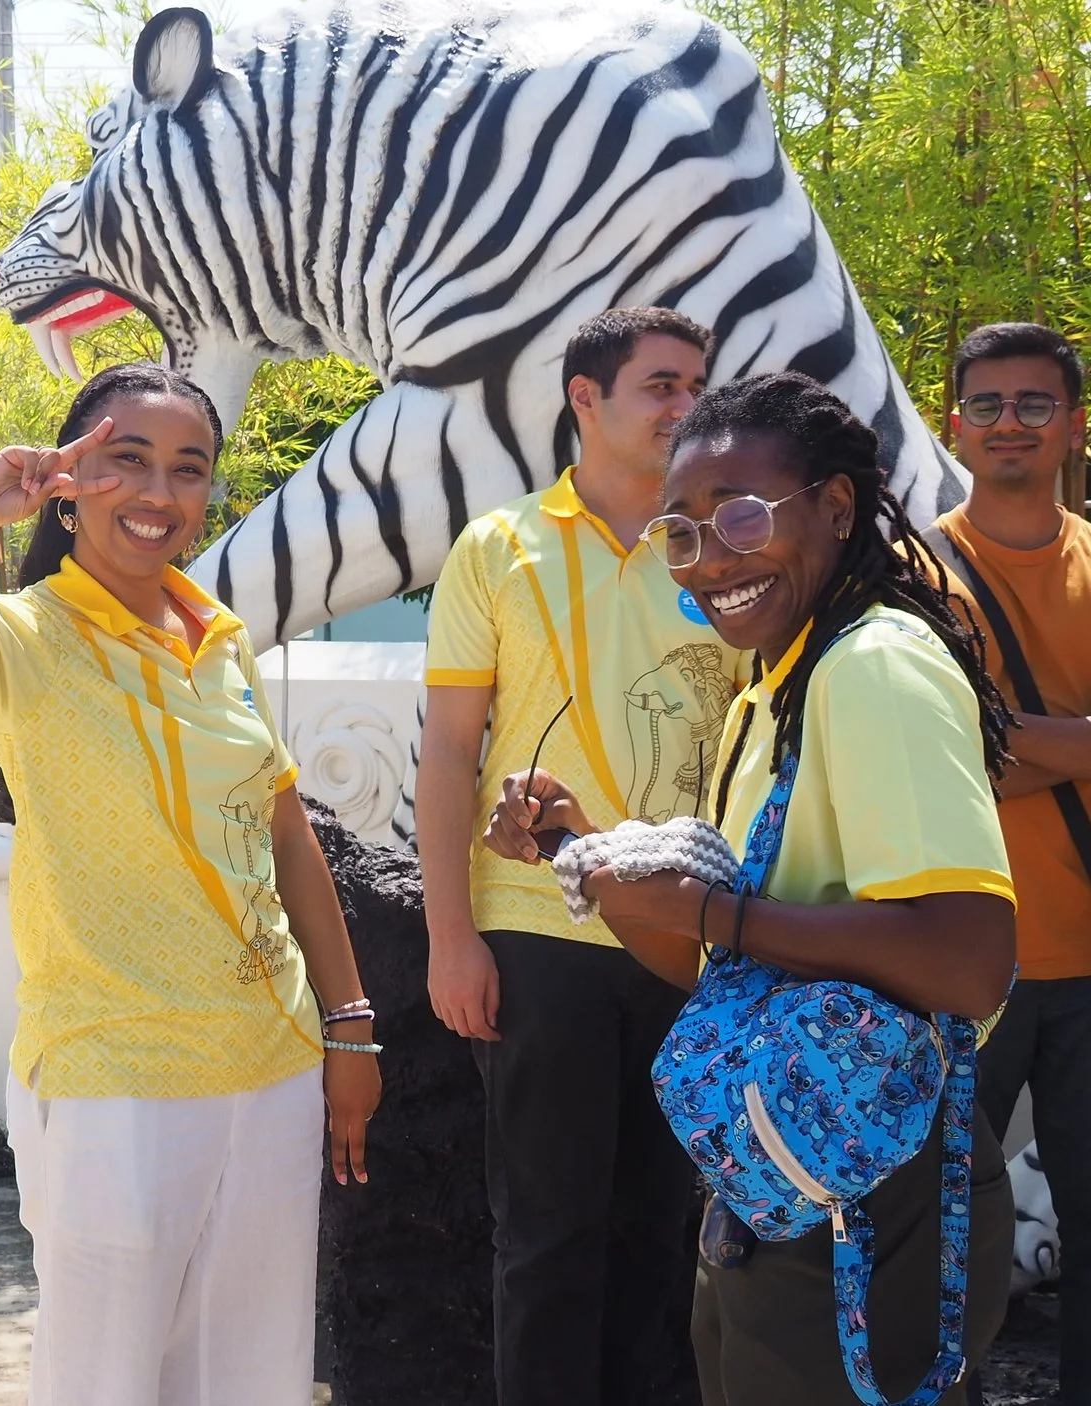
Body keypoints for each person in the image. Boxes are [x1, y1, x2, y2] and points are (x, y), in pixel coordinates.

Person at [0, 362, 380, 1406]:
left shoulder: (215, 638)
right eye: (123, 460)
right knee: (107, 1378)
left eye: (188, 469)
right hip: (116, 1075)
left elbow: (282, 826)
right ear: (66, 478)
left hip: (272, 1062)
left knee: (253, 1367)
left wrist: (348, 1022)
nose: (158, 494)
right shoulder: (26, 637)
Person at [487, 372, 1019, 1405]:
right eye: (679, 533)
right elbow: (713, 963)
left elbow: (967, 960)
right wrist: (589, 852)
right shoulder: (773, 686)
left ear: (833, 507)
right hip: (787, 1171)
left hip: (877, 1172)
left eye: (737, 516)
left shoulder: (873, 665)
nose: (710, 557)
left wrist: (706, 909)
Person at [416, 306, 743, 1404]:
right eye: (659, 385)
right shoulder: (497, 546)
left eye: (696, 384)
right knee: (548, 1236)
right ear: (584, 400)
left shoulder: (721, 553)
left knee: (661, 1230)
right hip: (535, 925)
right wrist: (450, 937)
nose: (684, 405)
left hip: (689, 935)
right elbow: (450, 751)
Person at [939, 322, 1091, 1405]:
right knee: (938, 1222)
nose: (1010, 424)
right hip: (951, 958)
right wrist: (1075, 746)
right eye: (988, 404)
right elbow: (916, 751)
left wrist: (993, 741)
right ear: (955, 423)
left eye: (1033, 404)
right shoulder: (915, 567)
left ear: (1074, 425)